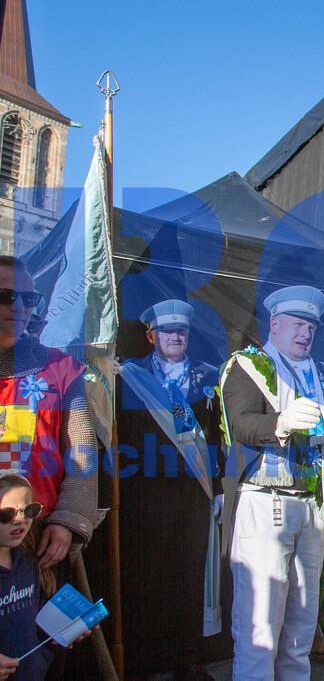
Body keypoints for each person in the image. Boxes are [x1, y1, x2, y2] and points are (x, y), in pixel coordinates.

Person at [220, 285, 324, 680]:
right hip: (265, 503)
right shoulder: (247, 366)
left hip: (313, 506)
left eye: (311, 327)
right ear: (275, 324)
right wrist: (281, 422)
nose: (305, 332)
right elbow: (240, 423)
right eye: (298, 324)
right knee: (259, 628)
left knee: (301, 627)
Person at [117, 299, 228, 676]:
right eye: (167, 331)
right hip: (147, 494)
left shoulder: (208, 376)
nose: (175, 336)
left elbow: (217, 436)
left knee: (190, 577)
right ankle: (141, 664)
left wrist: (219, 487)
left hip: (194, 492)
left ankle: (188, 663)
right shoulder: (129, 375)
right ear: (151, 337)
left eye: (181, 331)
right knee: (146, 579)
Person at [0, 257, 96, 578]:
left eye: (28, 298)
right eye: (5, 296)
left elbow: (81, 453)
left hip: (37, 537)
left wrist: (68, 519)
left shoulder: (62, 370)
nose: (19, 307)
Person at [0, 473, 51, 681]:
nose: (20, 519)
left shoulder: (29, 559)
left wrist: (70, 627)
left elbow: (36, 622)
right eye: (6, 514)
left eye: (29, 510)